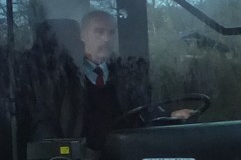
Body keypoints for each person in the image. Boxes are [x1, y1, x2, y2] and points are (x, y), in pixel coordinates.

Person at [78, 8, 195, 150]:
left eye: (111, 33)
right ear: (82, 35)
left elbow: (143, 108)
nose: (106, 38)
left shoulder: (126, 73)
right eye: (99, 32)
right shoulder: (65, 77)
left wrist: (170, 115)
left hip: (128, 156)